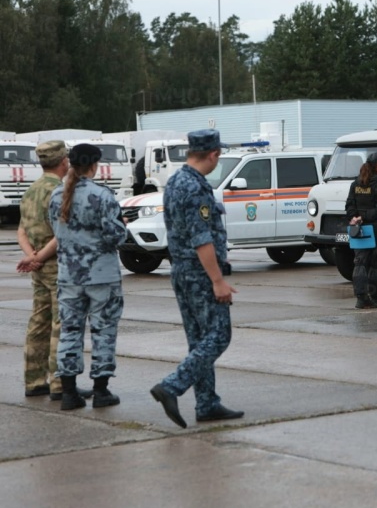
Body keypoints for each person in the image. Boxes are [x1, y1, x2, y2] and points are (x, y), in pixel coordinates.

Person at [149, 129, 243, 429]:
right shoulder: (196, 188)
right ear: (213, 154)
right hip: (200, 274)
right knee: (219, 335)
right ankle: (172, 386)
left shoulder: (176, 180)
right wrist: (217, 280)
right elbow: (202, 239)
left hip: (182, 271)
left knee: (199, 341)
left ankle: (207, 403)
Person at [49, 143, 127, 410]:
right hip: (101, 277)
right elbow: (116, 236)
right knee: (103, 332)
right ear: (94, 165)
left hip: (69, 276)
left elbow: (57, 234)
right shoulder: (102, 196)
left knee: (69, 332)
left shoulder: (56, 195)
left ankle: (69, 393)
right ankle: (101, 390)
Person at [17, 140, 92, 401]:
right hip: (59, 266)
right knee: (62, 325)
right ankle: (60, 382)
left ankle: (34, 380)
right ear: (64, 162)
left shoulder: (30, 191)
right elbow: (62, 234)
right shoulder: (60, 192)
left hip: (37, 268)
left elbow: (21, 231)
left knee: (39, 322)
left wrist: (31, 257)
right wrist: (39, 257)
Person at [345, 151, 377, 309]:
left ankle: (362, 297)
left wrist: (356, 218)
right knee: (376, 263)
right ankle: (375, 295)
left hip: (359, 228)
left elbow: (349, 206)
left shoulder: (356, 184)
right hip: (376, 227)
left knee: (360, 262)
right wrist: (365, 217)